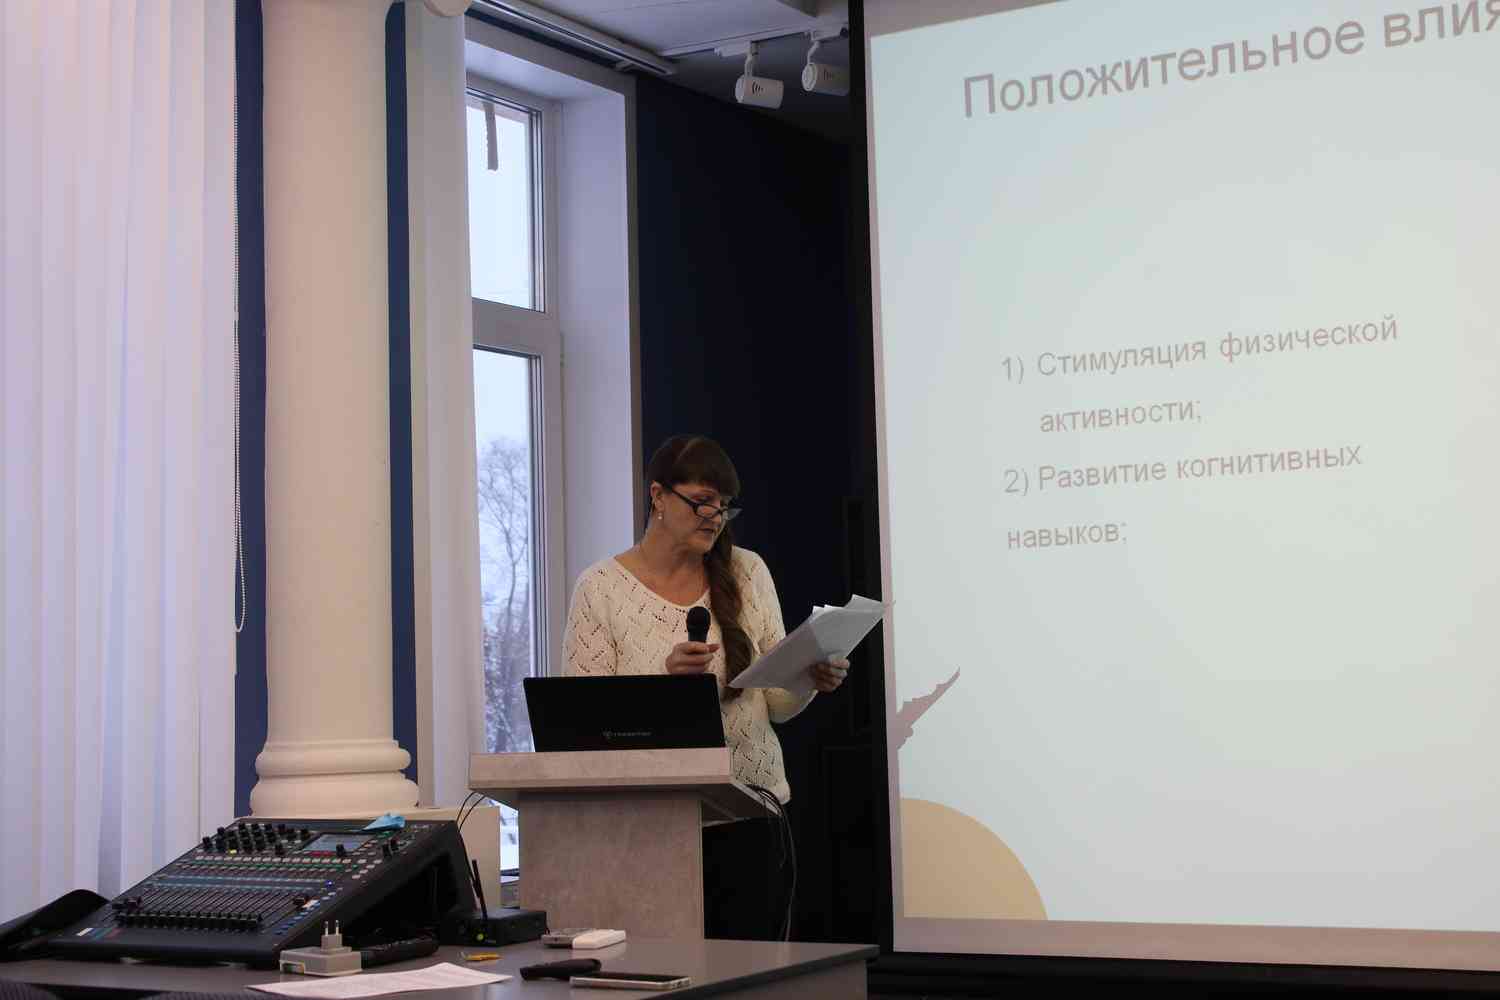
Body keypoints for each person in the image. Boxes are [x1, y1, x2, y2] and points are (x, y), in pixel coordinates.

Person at [561, 434, 848, 939]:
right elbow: (581, 724)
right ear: (657, 495)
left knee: (751, 971)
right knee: (664, 968)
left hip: (753, 814)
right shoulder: (600, 588)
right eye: (702, 502)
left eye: (724, 506)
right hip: (648, 826)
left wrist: (808, 679)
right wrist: (665, 685)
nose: (715, 517)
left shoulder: (747, 571)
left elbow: (777, 705)